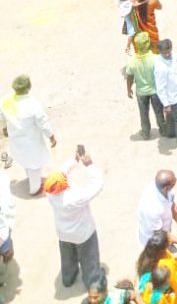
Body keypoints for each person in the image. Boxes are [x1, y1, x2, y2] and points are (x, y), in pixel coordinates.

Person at [43, 151, 103, 290]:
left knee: (67, 259)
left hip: (63, 234)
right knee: (89, 259)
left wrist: (74, 161)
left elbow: (61, 172)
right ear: (64, 184)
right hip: (83, 235)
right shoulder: (75, 198)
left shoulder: (50, 193)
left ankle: (68, 279)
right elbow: (98, 185)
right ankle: (92, 282)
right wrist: (89, 165)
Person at [0, 75, 56, 195]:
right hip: (31, 142)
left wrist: (4, 128)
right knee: (35, 166)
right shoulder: (33, 104)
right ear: (29, 87)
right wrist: (51, 136)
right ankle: (34, 190)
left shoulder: (6, 100)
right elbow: (43, 123)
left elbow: (2, 116)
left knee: (26, 161)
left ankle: (31, 179)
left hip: (16, 140)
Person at [125, 32, 167, 140]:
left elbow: (129, 76)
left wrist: (129, 89)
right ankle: (163, 129)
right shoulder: (155, 59)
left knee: (143, 114)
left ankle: (146, 133)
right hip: (155, 91)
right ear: (148, 44)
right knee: (159, 112)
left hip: (141, 92)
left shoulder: (132, 61)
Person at [154, 39, 177, 148]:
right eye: (165, 52)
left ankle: (171, 133)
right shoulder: (160, 67)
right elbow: (160, 88)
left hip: (173, 94)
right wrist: (166, 104)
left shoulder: (170, 57)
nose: (167, 54)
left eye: (169, 51)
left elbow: (174, 58)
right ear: (160, 51)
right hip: (172, 99)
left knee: (171, 117)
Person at [136, 170, 177, 247]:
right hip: (155, 241)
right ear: (166, 188)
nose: (176, 180)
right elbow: (158, 233)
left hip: (165, 232)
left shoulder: (164, 188)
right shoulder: (152, 208)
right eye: (174, 182)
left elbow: (172, 203)